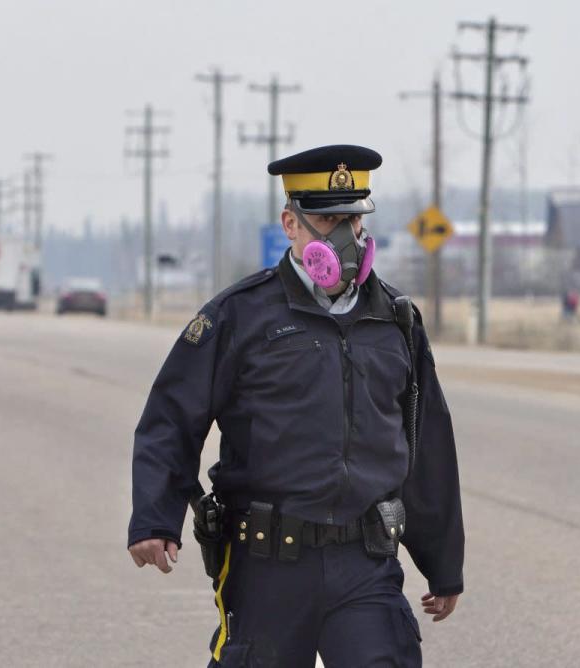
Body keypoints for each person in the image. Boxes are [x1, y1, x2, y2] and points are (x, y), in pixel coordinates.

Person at [127, 145, 464, 667]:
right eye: (327, 219)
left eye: (353, 220)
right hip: (268, 564)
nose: (344, 237)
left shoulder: (395, 319)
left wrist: (442, 563)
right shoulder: (241, 315)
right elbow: (172, 417)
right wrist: (154, 517)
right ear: (291, 223)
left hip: (365, 560)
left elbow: (427, 440)